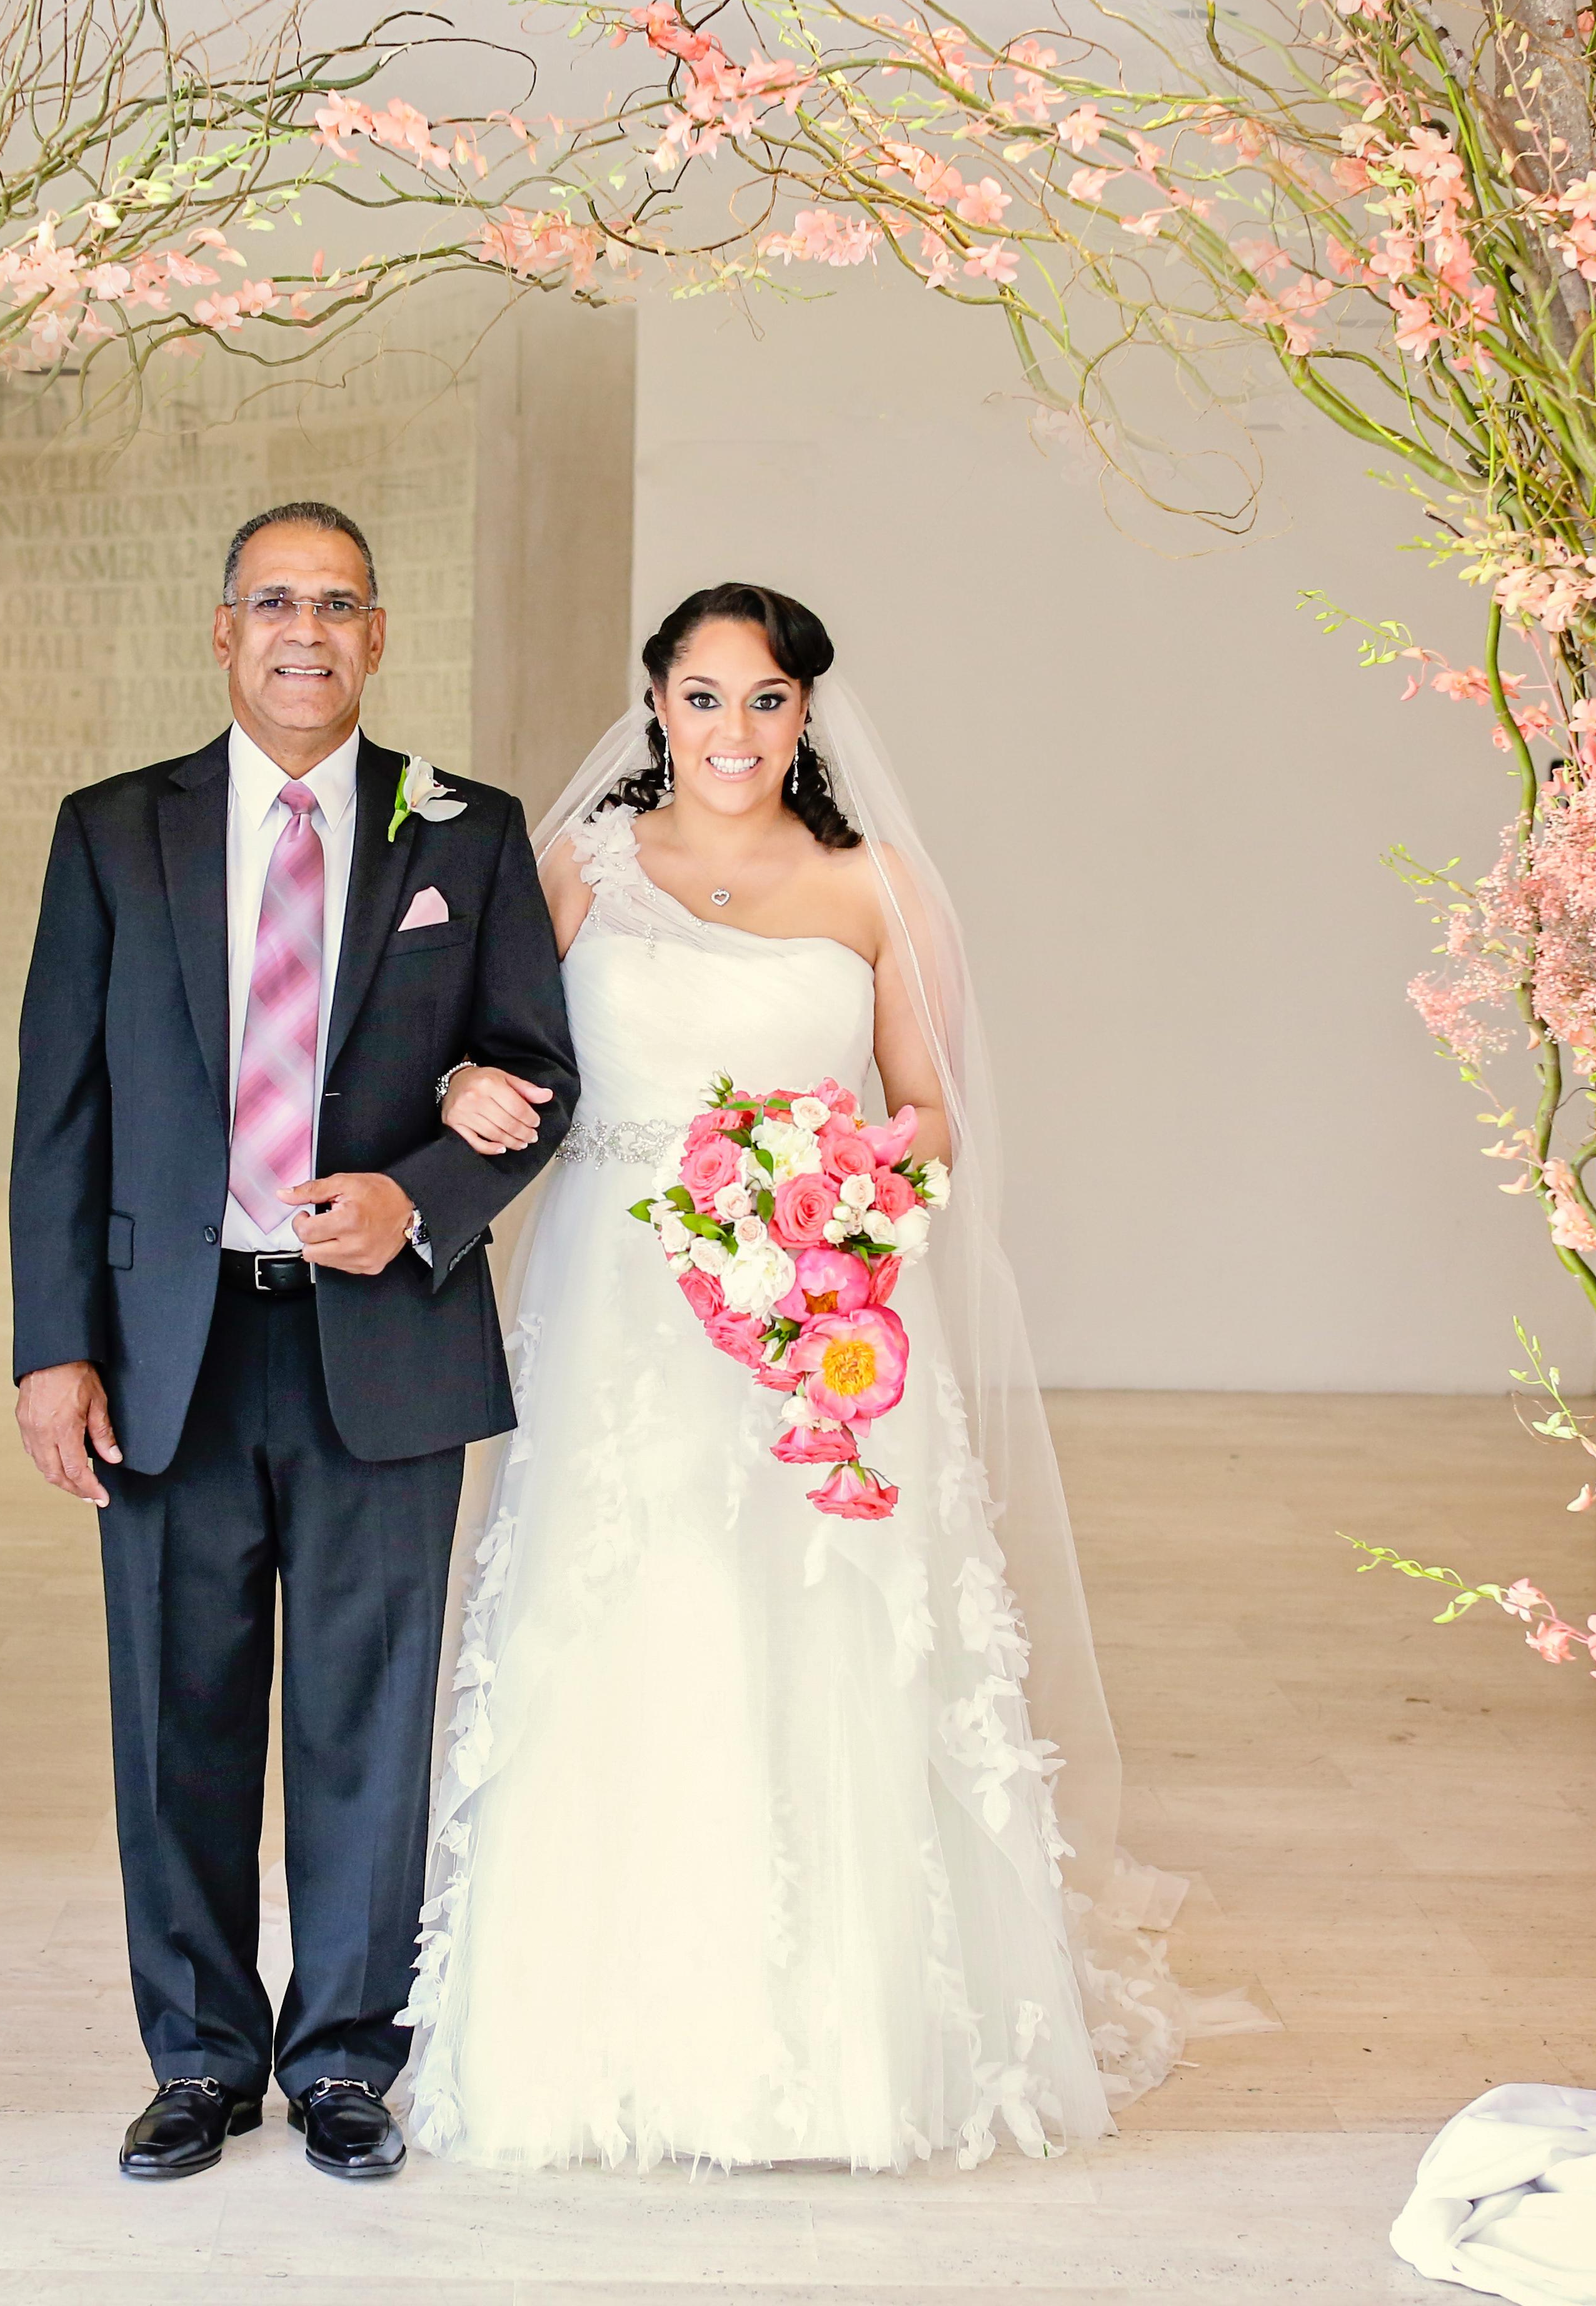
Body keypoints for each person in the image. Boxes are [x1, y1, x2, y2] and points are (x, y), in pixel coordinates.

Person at [398, 582, 1186, 2171]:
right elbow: (485, 1051)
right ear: (656, 705)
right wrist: (467, 1078)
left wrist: (841, 1194)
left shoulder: (876, 887)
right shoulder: (581, 872)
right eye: (702, 698)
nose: (732, 733)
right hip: (622, 1289)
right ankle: (598, 2031)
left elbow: (930, 1108)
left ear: (808, 714)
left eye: (765, 701)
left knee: (818, 1613)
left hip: (817, 1308)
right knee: (634, 1601)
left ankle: (845, 2045)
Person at [9, 502, 576, 2182]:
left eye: (337, 605)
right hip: (168, 1349)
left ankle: (342, 2060)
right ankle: (196, 2060)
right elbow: (61, 1112)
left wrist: (417, 1196)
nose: (305, 632)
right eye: (274, 603)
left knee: (365, 1713)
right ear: (222, 630)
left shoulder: (465, 835)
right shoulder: (117, 832)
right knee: (175, 1717)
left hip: (380, 1345)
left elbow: (536, 1078)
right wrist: (56, 1346)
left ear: (380, 636)